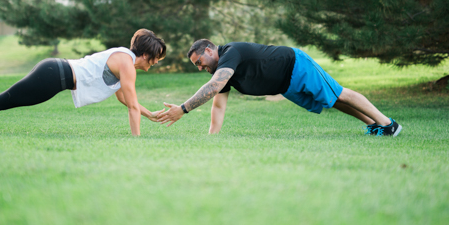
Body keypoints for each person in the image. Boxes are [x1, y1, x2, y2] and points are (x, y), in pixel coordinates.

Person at [0, 29, 167, 136]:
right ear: (147, 54)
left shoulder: (124, 61)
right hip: (54, 74)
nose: (155, 64)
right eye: (156, 59)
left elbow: (125, 99)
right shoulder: (126, 62)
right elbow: (132, 105)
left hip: (54, 74)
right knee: (2, 101)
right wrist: (137, 139)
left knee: (3, 101)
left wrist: (150, 115)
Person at [152, 39, 402, 136]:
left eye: (200, 62)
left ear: (209, 50)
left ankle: (388, 124)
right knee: (332, 101)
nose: (200, 68)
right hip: (286, 85)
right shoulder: (222, 70)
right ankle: (374, 125)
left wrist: (183, 109)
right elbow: (218, 105)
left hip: (296, 65)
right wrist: (211, 138)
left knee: (339, 92)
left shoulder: (230, 53)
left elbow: (213, 87)